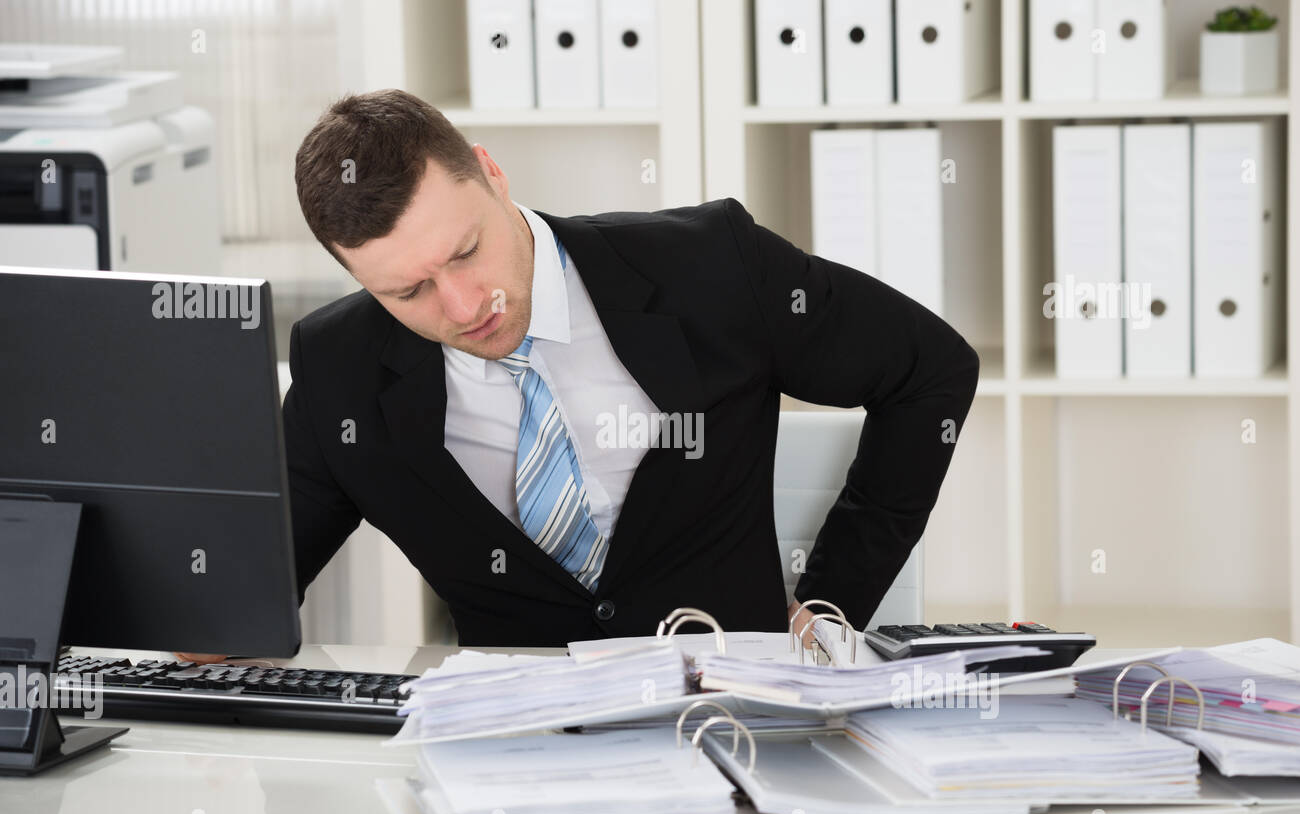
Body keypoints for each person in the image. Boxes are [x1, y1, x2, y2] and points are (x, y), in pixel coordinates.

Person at [283, 88, 979, 647]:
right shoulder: (336, 369)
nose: (466, 305)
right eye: (409, 291)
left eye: (466, 250)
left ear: (492, 175)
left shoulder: (711, 267)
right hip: (517, 760)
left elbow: (931, 371)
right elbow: (257, 581)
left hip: (738, 729)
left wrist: (832, 604)